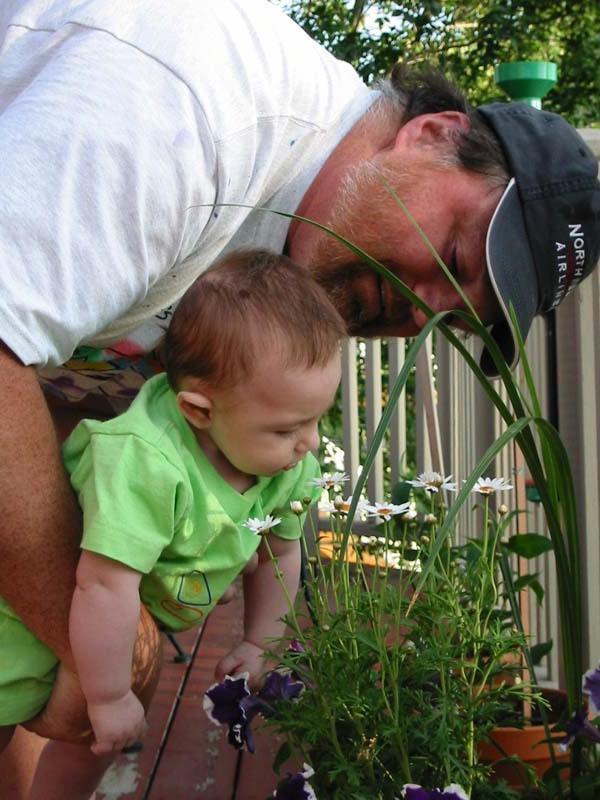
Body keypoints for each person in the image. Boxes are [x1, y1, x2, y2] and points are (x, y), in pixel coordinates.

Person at [0, 0, 598, 791]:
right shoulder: (192, 109)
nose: (421, 308)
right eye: (451, 254)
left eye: (457, 316)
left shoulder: (271, 263)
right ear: (432, 132)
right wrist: (99, 645)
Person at [0, 249, 345, 798]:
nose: (309, 443)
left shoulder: (285, 464)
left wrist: (260, 642)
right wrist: (110, 696)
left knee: (89, 748)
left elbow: (278, 555)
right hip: (26, 616)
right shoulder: (147, 463)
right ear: (198, 411)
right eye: (287, 428)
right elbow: (103, 583)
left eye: (318, 418)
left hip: (109, 633)